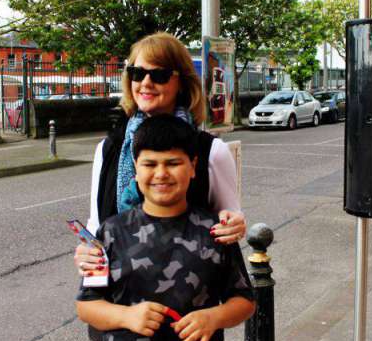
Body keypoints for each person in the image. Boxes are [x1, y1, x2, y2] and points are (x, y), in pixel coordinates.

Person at [76, 115, 255, 341]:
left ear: (193, 166)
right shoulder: (110, 232)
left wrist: (214, 317)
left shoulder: (215, 231)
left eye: (173, 163)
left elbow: (245, 301)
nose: (161, 173)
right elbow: (87, 306)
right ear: (135, 169)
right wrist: (127, 315)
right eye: (150, 164)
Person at [75, 32, 246, 277]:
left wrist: (236, 224)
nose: (145, 83)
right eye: (137, 73)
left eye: (159, 75)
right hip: (123, 301)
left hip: (187, 293)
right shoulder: (108, 148)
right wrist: (87, 254)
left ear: (182, 83)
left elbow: (229, 219)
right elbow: (97, 224)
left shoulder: (210, 151)